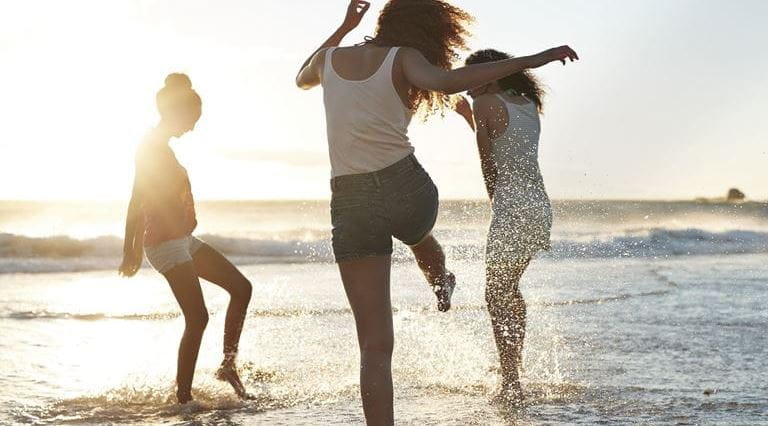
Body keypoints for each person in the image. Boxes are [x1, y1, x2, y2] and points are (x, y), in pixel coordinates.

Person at [296, 1, 577, 423]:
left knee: (374, 346)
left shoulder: (328, 59)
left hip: (349, 201)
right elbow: (450, 82)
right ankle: (440, 274)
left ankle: (439, 276)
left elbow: (302, 79)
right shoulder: (405, 58)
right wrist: (538, 59)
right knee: (415, 233)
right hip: (406, 188)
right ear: (429, 31)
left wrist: (343, 27)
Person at [119, 73, 254, 404]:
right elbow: (136, 200)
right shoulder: (151, 147)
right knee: (198, 317)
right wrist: (130, 250)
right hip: (164, 243)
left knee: (241, 288)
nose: (193, 128)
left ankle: (227, 365)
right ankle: (183, 398)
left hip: (181, 239)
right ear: (176, 113)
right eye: (192, 120)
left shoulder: (161, 146)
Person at [463, 48, 556, 407]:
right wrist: (466, 120)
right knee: (508, 289)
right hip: (538, 206)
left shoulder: (483, 105)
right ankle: (513, 370)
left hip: (513, 208)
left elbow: (490, 163)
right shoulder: (526, 103)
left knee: (495, 293)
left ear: (493, 76)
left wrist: (495, 204)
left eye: (471, 78)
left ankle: (511, 380)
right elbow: (507, 143)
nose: (465, 85)